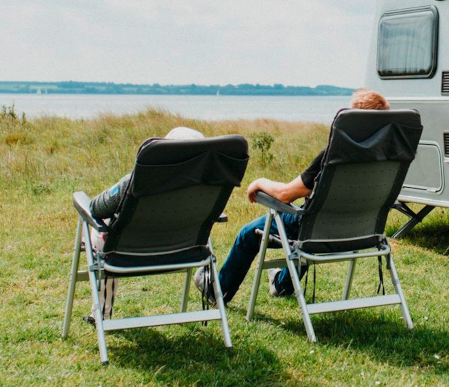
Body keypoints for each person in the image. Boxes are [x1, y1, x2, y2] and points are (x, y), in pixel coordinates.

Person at [195, 89, 390, 305]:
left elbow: (285, 195)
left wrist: (258, 182)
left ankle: (217, 291)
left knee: (248, 234)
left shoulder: (335, 153)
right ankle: (281, 284)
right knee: (309, 230)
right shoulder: (388, 157)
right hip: (361, 231)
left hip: (317, 229)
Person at [86, 126, 205, 321]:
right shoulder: (204, 191)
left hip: (128, 254)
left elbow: (95, 208)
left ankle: (101, 314)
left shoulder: (135, 182)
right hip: (185, 252)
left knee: (99, 231)